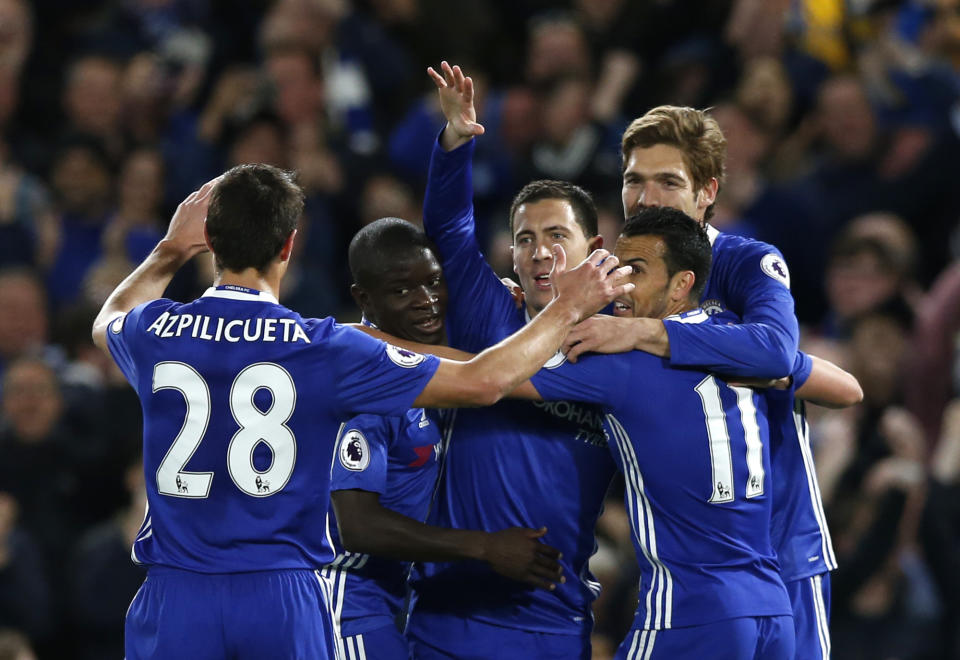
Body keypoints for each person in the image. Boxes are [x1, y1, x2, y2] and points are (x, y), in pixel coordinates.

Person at [90, 164, 632, 659]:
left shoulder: (153, 331)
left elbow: (107, 317)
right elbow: (484, 380)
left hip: (176, 589)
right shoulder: (323, 347)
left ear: (209, 241)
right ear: (290, 246)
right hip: (285, 592)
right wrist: (568, 308)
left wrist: (168, 250)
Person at [562, 105, 851, 659]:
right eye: (633, 181)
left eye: (668, 182)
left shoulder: (746, 261)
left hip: (782, 550)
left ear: (706, 192)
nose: (647, 199)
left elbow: (774, 351)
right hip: (682, 563)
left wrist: (644, 333)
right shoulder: (611, 278)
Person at [403, 62, 618, 659]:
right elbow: (447, 225)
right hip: (446, 620)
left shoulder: (623, 349)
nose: (540, 253)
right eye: (524, 239)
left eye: (556, 236)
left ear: (593, 249)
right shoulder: (489, 316)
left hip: (553, 623)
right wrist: (454, 143)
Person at [325, 217, 565, 659]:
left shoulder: (409, 363)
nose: (427, 302)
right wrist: (485, 546)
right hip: (340, 603)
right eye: (402, 291)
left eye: (434, 282)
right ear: (364, 298)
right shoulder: (361, 382)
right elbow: (357, 525)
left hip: (382, 599)